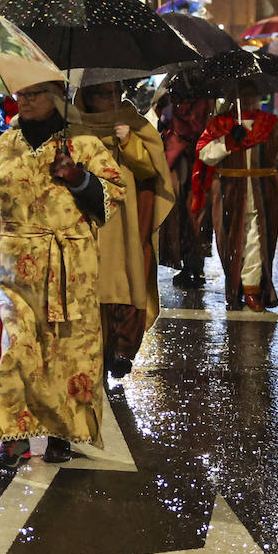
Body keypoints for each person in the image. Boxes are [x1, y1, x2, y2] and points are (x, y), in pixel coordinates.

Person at [0, 81, 124, 469]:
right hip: (17, 265)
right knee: (21, 349)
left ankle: (61, 432)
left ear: (56, 95)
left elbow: (114, 195)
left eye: (36, 93)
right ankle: (12, 437)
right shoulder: (5, 143)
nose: (26, 99)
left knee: (67, 349)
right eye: (22, 93)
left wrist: (79, 178)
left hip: (72, 264)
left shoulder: (82, 143)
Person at [73, 81, 174, 379]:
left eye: (115, 93)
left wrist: (129, 142)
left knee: (123, 280)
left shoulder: (133, 122)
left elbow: (151, 170)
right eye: (103, 94)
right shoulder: (74, 125)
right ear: (88, 97)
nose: (112, 100)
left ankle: (119, 348)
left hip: (124, 218)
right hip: (87, 217)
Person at [190, 83, 278, 311]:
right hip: (229, 189)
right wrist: (228, 141)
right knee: (231, 240)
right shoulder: (220, 124)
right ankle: (235, 287)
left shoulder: (270, 123)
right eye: (245, 95)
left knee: (259, 239)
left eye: (253, 95)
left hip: (264, 189)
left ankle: (252, 289)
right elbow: (205, 154)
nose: (251, 99)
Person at [158, 71, 216, 289]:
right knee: (191, 211)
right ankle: (193, 263)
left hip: (189, 158)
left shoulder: (176, 89)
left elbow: (163, 116)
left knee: (189, 211)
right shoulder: (206, 90)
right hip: (188, 158)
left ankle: (191, 263)